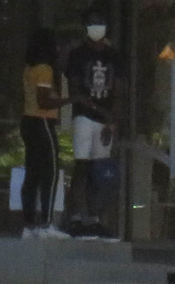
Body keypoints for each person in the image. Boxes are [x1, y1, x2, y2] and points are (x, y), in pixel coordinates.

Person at [62, 12, 119, 236]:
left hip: (104, 118)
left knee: (99, 169)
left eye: (101, 23)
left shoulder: (114, 56)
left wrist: (113, 119)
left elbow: (120, 89)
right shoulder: (78, 54)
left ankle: (94, 217)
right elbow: (75, 86)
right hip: (84, 116)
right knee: (82, 166)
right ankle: (76, 216)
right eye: (93, 24)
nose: (97, 28)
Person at [19, 25, 64, 237]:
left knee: (33, 174)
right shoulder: (45, 70)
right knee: (51, 172)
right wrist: (69, 100)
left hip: (28, 121)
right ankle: (46, 222)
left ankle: (29, 222)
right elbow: (44, 101)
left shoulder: (29, 69)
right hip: (43, 121)